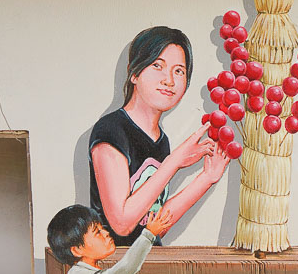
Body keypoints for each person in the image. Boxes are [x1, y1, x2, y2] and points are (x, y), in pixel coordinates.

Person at [90, 25, 223, 245]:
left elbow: (154, 227)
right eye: (157, 66)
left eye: (179, 71)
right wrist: (174, 162)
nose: (169, 80)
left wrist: (207, 178)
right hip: (114, 267)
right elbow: (122, 224)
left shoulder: (161, 141)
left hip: (147, 262)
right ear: (134, 73)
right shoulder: (111, 130)